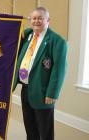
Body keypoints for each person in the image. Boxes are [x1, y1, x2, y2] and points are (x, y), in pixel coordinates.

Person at [13, 7, 68, 140]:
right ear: (30, 20)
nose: (36, 21)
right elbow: (10, 33)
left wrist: (52, 93)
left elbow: (59, 70)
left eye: (40, 18)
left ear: (48, 20)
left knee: (45, 131)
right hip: (25, 89)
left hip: (43, 92)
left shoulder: (57, 41)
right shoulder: (27, 35)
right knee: (30, 127)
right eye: (34, 18)